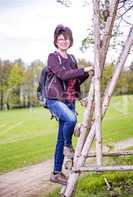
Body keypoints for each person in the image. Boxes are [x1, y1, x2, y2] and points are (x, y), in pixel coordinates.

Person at [45, 25, 94, 185]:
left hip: (70, 100)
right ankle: (68, 146)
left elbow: (75, 81)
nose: (63, 41)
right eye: (60, 39)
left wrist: (87, 74)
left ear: (70, 41)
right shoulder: (53, 57)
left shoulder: (72, 58)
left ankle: (56, 173)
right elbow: (63, 75)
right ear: (56, 41)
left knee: (60, 138)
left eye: (66, 39)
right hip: (55, 99)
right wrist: (83, 69)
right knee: (71, 120)